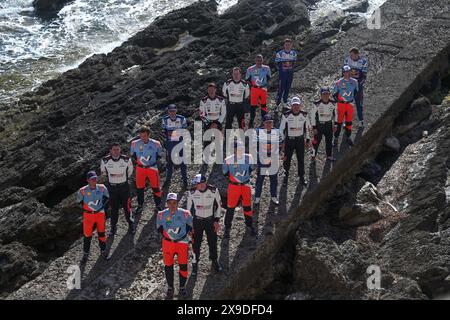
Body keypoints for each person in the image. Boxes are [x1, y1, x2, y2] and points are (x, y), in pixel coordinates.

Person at [156, 193, 193, 297]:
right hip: (168, 244)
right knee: (168, 266)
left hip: (182, 243)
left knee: (183, 265)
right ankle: (170, 287)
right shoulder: (161, 214)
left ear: (177, 203)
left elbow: (190, 228)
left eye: (174, 203)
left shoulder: (185, 213)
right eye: (170, 203)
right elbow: (159, 229)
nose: (172, 205)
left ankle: (182, 287)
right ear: (167, 203)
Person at [186, 174, 223, 276]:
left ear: (206, 182)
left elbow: (219, 206)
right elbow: (188, 209)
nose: (201, 185)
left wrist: (216, 220)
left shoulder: (213, 190)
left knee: (213, 241)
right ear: (196, 184)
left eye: (203, 182)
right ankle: (194, 264)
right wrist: (189, 224)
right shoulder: (192, 192)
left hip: (210, 220)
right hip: (197, 221)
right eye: (199, 183)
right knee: (195, 243)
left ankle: (214, 261)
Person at [101, 143, 135, 236]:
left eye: (118, 149)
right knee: (114, 209)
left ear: (120, 150)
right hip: (112, 188)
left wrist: (122, 179)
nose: (116, 151)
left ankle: (131, 224)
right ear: (110, 151)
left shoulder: (126, 159)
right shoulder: (105, 161)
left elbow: (130, 171)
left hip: (124, 187)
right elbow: (104, 172)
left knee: (127, 207)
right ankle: (113, 227)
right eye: (114, 149)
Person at [223, 140, 256, 236]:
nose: (240, 150)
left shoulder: (249, 157)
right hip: (234, 186)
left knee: (247, 206)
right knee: (230, 207)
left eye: (242, 148)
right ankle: (227, 228)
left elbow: (251, 169)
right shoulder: (228, 160)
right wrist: (236, 180)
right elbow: (225, 173)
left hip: (246, 185)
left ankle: (249, 225)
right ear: (234, 150)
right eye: (238, 149)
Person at [77, 171, 110, 263]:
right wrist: (86, 209)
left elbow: (107, 197)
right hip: (88, 215)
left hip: (100, 214)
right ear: (88, 180)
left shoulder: (102, 188)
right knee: (87, 235)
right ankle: (86, 254)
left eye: (95, 178)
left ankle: (103, 251)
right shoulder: (82, 191)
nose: (94, 180)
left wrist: (102, 206)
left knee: (102, 233)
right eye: (92, 179)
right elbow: (79, 202)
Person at [130, 126, 163, 214]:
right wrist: (140, 162)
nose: (143, 138)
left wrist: (151, 162)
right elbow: (132, 155)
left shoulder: (156, 143)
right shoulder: (134, 143)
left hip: (152, 168)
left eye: (144, 136)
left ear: (149, 135)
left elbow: (159, 155)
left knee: (156, 187)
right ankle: (140, 205)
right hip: (140, 168)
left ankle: (158, 205)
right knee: (140, 188)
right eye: (141, 136)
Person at [279, 96, 311, 186]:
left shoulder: (304, 115)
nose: (296, 107)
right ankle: (285, 177)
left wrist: (307, 140)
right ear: (291, 106)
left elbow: (307, 127)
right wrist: (282, 142)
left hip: (300, 140)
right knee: (287, 159)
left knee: (301, 159)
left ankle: (301, 177)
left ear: (300, 105)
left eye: (297, 105)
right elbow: (281, 129)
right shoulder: (286, 115)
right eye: (294, 105)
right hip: (289, 140)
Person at [253, 114, 283, 205]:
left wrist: (276, 154)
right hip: (262, 159)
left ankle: (273, 196)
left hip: (273, 159)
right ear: (264, 123)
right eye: (267, 123)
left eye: (270, 122)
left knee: (274, 179)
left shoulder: (277, 132)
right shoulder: (258, 131)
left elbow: (281, 144)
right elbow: (254, 145)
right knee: (260, 179)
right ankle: (257, 197)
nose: (269, 124)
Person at [161, 104, 188, 188]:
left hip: (180, 142)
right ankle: (168, 180)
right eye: (170, 111)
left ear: (176, 110)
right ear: (168, 111)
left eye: (173, 111)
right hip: (170, 143)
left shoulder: (182, 118)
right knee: (169, 163)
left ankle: (185, 181)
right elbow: (164, 132)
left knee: (182, 162)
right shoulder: (165, 119)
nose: (172, 113)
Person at [333, 65, 359, 147]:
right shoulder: (338, 83)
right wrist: (341, 101)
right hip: (341, 105)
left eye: (348, 72)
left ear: (350, 72)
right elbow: (334, 94)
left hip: (350, 105)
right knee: (338, 122)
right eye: (345, 72)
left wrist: (350, 100)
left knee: (349, 122)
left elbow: (356, 92)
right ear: (343, 73)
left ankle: (348, 137)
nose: (347, 74)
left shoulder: (354, 82)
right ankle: (336, 138)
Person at [311, 87, 338, 161]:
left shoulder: (333, 103)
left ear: (329, 94)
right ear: (321, 95)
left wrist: (335, 125)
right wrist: (314, 127)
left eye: (327, 93)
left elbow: (336, 114)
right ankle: (313, 156)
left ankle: (329, 156)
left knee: (329, 141)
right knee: (316, 142)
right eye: (324, 94)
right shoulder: (316, 104)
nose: (325, 95)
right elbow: (312, 116)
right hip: (319, 125)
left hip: (329, 125)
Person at [344, 47, 368, 127]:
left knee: (359, 104)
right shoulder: (347, 60)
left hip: (358, 85)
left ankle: (361, 121)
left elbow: (364, 75)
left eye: (353, 55)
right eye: (350, 55)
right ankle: (347, 121)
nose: (351, 57)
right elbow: (344, 72)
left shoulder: (363, 61)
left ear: (357, 54)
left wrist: (359, 84)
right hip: (349, 85)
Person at [246, 54, 272, 128]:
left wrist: (267, 86)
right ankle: (251, 121)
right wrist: (251, 88)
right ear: (255, 60)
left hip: (263, 89)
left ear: (262, 60)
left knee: (263, 105)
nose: (259, 62)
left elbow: (269, 78)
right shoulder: (250, 69)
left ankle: (264, 120)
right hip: (254, 89)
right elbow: (247, 80)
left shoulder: (267, 68)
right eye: (257, 60)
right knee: (253, 106)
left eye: (260, 60)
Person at [275, 38, 298, 109]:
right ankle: (277, 104)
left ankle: (285, 102)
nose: (288, 46)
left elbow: (294, 63)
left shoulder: (294, 53)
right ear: (284, 45)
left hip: (290, 74)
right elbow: (277, 64)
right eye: (286, 44)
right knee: (280, 88)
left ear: (291, 45)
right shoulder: (279, 53)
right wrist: (283, 68)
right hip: (282, 74)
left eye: (289, 44)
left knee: (287, 88)